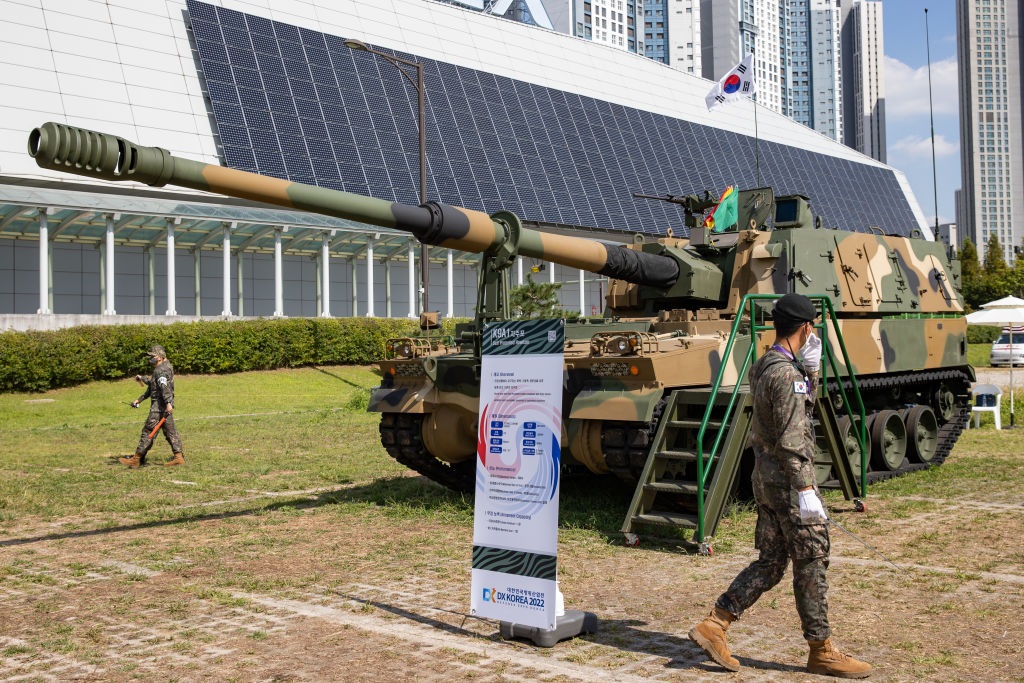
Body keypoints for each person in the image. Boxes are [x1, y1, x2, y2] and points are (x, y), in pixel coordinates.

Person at [688, 293, 871, 679]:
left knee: (771, 563)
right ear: (806, 328)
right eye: (813, 328)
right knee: (812, 561)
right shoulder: (787, 375)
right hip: (790, 485)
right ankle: (821, 650)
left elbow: (797, 409)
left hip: (767, 482)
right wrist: (807, 490)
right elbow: (792, 438)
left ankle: (716, 624)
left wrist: (812, 372)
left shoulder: (765, 365)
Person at [119, 344, 185, 468]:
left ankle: (136, 459)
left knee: (148, 431)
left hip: (159, 408)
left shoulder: (160, 370)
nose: (150, 359)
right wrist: (139, 399)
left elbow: (163, 387)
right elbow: (153, 385)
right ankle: (178, 457)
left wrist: (168, 403)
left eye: (152, 356)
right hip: (165, 408)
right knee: (171, 432)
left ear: (160, 357)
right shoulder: (165, 367)